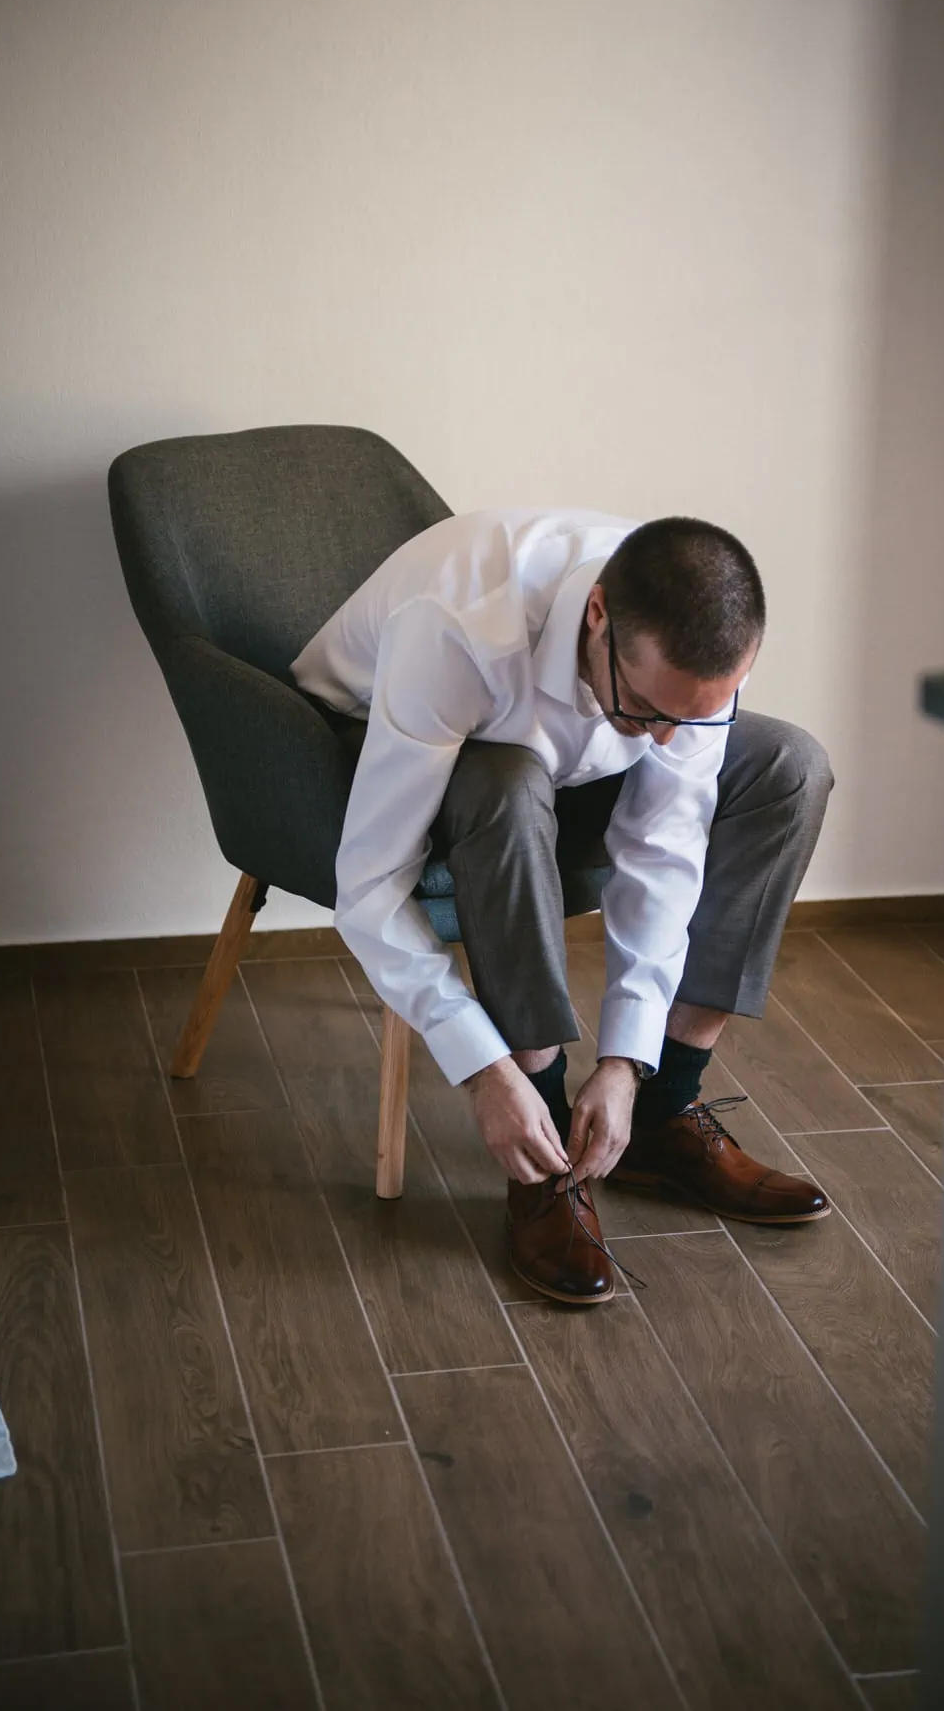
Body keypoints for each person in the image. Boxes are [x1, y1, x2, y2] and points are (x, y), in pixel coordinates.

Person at [291, 507, 833, 1305]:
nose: (665, 741)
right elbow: (371, 887)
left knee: (790, 765)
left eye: (692, 715)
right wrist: (481, 1067)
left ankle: (663, 1108)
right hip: (378, 743)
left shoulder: (679, 670)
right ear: (599, 615)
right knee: (507, 784)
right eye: (650, 709)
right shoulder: (456, 631)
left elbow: (665, 848)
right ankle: (542, 1152)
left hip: (568, 762)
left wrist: (627, 1060)